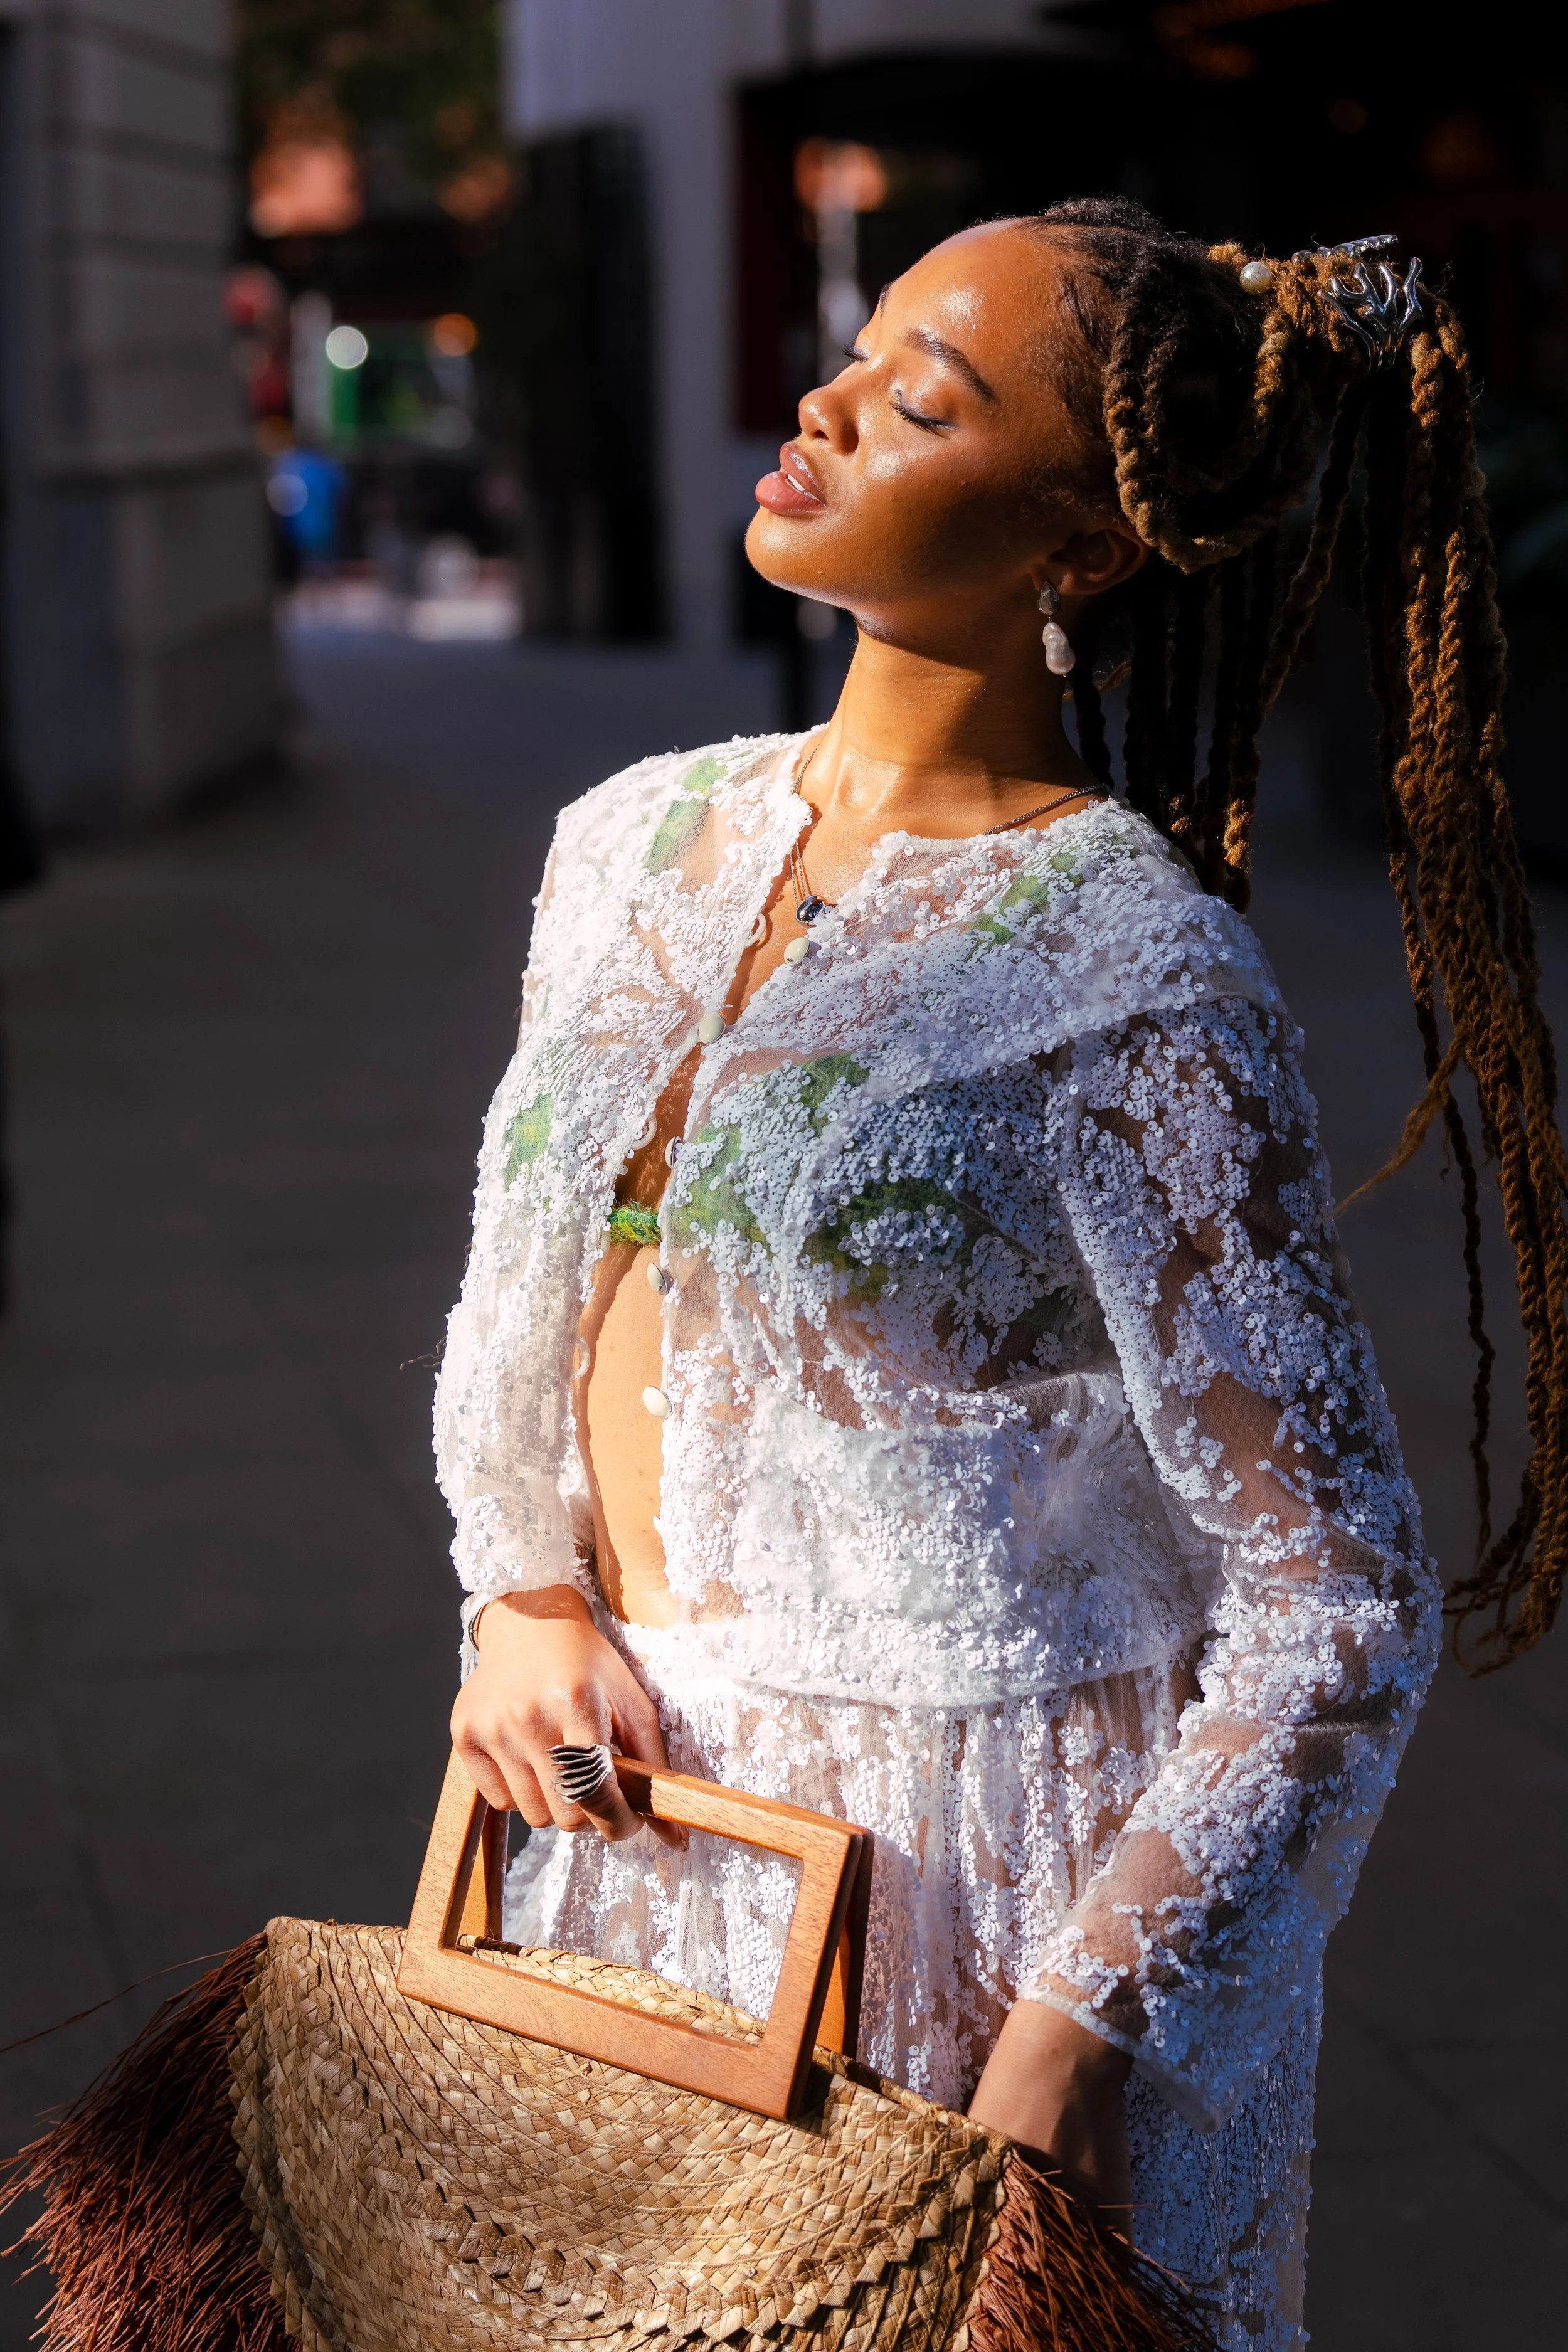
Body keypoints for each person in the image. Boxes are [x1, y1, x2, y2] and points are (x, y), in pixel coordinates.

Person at [436, 202, 1567, 2349]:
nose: (829, 402)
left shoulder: (1128, 975)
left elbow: (1338, 1597)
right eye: (859, 351)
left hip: (964, 1891)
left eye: (926, 398)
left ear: (1084, 547)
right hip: (629, 1843)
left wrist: (1072, 2038)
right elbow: (534, 1298)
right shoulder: (627, 842)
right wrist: (524, 1593)